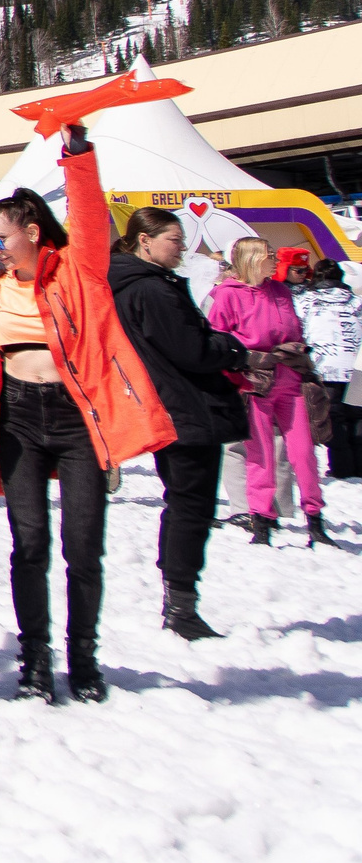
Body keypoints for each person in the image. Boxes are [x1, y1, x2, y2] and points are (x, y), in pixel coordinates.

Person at [0, 123, 176, 703]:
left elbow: (87, 214)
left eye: (1, 237)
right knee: (28, 545)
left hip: (78, 420)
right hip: (19, 423)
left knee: (83, 546)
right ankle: (35, 659)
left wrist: (77, 155)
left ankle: (85, 657)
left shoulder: (79, 273)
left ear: (32, 232)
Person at [107, 205, 249, 639]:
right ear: (144, 240)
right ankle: (181, 606)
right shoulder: (149, 288)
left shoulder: (139, 283)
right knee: (191, 506)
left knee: (187, 504)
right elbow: (189, 349)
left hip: (174, 404)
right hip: (184, 407)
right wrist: (232, 349)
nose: (182, 247)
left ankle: (180, 601)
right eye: (174, 239)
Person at [206, 236, 328, 547]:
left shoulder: (281, 291)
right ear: (251, 260)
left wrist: (298, 353)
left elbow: (294, 330)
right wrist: (239, 365)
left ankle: (315, 518)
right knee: (259, 454)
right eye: (269, 255)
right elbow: (217, 341)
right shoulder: (227, 296)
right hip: (255, 383)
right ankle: (261, 519)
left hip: (291, 381)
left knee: (303, 453)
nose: (275, 260)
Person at [296, 258, 362, 477]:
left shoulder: (306, 301)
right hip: (357, 367)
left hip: (326, 367)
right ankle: (359, 466)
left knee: (334, 418)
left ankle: (342, 467)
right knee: (357, 416)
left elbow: (298, 331)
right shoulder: (356, 301)